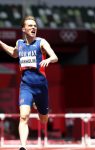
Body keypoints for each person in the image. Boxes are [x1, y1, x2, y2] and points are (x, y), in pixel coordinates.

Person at [0, 16, 58, 150]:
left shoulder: (41, 42)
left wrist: (49, 60)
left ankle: (38, 105)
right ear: (24, 29)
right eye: (30, 26)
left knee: (43, 120)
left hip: (41, 86)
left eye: (35, 26)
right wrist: (1, 43)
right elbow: (14, 53)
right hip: (26, 86)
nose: (33, 28)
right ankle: (23, 146)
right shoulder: (19, 44)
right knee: (24, 116)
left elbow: (55, 57)